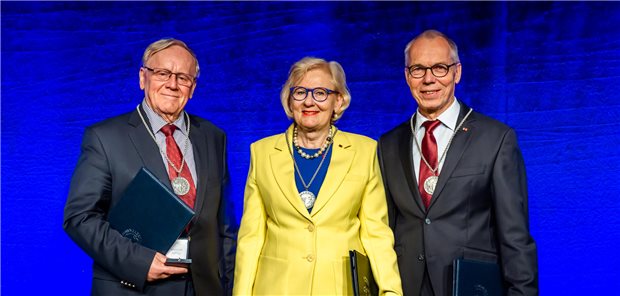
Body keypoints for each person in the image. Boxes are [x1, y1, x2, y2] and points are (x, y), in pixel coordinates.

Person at [63, 38, 236, 296]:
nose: (173, 84)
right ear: (143, 77)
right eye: (163, 73)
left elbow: (224, 228)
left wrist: (230, 287)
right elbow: (80, 218)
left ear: (193, 87)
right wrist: (139, 261)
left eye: (183, 77)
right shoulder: (105, 137)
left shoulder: (213, 137)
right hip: (134, 288)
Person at [378, 30, 538, 295]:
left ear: (457, 72)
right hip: (406, 287)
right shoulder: (388, 144)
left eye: (440, 68)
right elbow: (384, 230)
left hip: (470, 286)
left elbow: (515, 238)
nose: (429, 79)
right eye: (418, 69)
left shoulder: (496, 139)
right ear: (407, 76)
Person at [233, 57, 402, 295]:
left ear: (339, 100)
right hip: (275, 288)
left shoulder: (365, 151)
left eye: (321, 93)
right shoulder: (261, 152)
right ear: (290, 101)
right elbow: (250, 239)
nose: (309, 101)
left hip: (338, 289)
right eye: (300, 92)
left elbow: (377, 235)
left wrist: (391, 291)